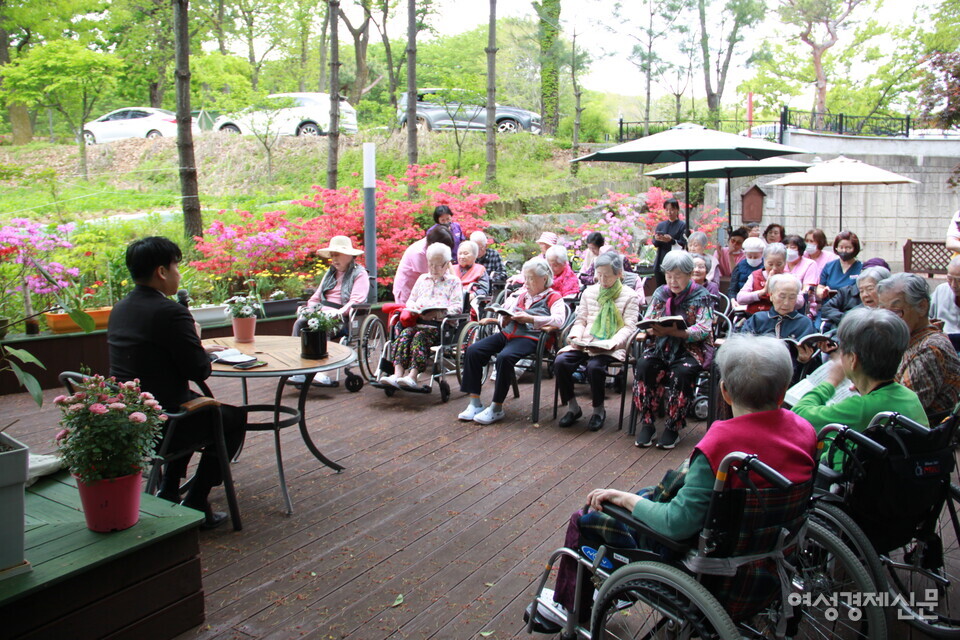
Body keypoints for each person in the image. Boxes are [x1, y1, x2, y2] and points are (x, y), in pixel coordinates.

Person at [528, 335, 816, 631]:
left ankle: (571, 605)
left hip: (710, 575)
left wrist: (625, 499)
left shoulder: (724, 447)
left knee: (588, 516)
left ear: (725, 392)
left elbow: (676, 524)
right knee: (647, 495)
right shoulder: (805, 431)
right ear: (783, 392)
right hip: (770, 564)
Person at [108, 237, 247, 529]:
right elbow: (199, 371)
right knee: (232, 419)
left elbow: (151, 352)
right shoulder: (171, 312)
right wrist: (195, 340)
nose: (178, 274)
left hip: (131, 417)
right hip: (166, 422)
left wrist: (192, 344)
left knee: (191, 404)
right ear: (161, 271)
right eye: (176, 267)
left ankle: (169, 489)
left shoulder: (120, 308)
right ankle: (197, 501)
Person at [791, 307, 929, 469]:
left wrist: (830, 382)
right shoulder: (909, 396)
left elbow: (799, 415)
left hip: (849, 485)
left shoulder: (861, 409)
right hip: (903, 479)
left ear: (853, 360)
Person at [458, 258, 567, 425]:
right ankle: (475, 403)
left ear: (544, 278)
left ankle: (496, 407)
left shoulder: (554, 297)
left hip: (531, 337)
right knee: (474, 350)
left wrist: (530, 318)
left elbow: (559, 321)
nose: (527, 282)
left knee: (504, 357)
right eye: (525, 277)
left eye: (531, 278)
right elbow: (504, 317)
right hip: (508, 334)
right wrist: (504, 319)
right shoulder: (521, 294)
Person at [634, 251, 714, 449]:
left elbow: (704, 328)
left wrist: (679, 332)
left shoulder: (701, 295)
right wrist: (654, 327)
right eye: (669, 275)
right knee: (644, 365)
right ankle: (647, 423)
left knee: (683, 371)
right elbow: (649, 316)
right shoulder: (661, 292)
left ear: (689, 274)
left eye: (678, 276)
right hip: (661, 345)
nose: (673, 281)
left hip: (689, 348)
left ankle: (673, 426)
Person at [555, 252, 641, 432]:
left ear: (619, 274)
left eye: (607, 275)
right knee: (561, 362)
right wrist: (575, 337)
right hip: (586, 341)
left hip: (611, 346)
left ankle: (598, 410)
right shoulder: (590, 292)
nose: (602, 279)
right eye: (599, 274)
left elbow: (629, 327)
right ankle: (572, 407)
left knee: (595, 367)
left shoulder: (630, 296)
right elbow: (581, 321)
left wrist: (613, 342)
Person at [381, 243, 463, 390]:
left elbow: (457, 308)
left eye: (438, 265)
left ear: (446, 264)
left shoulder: (454, 282)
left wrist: (437, 313)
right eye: (431, 264)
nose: (433, 269)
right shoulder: (422, 279)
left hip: (440, 326)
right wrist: (414, 308)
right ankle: (397, 374)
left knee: (420, 337)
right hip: (418, 321)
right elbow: (411, 300)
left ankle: (412, 376)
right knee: (405, 334)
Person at [290, 236, 370, 385]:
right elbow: (315, 298)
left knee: (322, 327)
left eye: (337, 254)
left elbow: (356, 301)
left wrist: (338, 313)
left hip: (343, 318)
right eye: (332, 255)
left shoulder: (360, 273)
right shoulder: (330, 273)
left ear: (349, 255)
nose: (333, 259)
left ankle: (322, 372)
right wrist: (308, 310)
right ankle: (298, 370)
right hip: (320, 314)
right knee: (300, 323)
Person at [877, 273, 960, 418]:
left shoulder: (930, 349)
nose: (886, 320)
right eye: (882, 311)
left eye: (895, 311)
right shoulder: (905, 338)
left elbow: (901, 410)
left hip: (914, 436)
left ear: (922, 306)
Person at [392, 226, 455, 305]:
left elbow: (447, 262)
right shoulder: (419, 253)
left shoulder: (436, 248)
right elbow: (431, 277)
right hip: (408, 288)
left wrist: (456, 282)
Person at [736, 243, 804, 315]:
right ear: (764, 262)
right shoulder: (755, 276)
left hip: (783, 318)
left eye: (779, 264)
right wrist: (762, 292)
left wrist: (783, 296)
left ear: (785, 262)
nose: (774, 268)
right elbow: (740, 298)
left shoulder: (791, 278)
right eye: (770, 264)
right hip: (756, 318)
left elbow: (800, 302)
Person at [820, 265, 890, 331]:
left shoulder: (895, 311)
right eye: (861, 291)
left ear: (885, 288)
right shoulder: (854, 315)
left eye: (870, 289)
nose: (865, 295)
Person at [652, 197, 687, 287]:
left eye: (672, 210)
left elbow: (683, 243)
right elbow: (655, 243)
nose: (669, 212)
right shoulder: (661, 225)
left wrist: (671, 241)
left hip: (675, 260)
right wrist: (657, 238)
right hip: (661, 259)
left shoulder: (682, 225)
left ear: (677, 210)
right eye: (667, 210)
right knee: (660, 287)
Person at [817, 231, 863, 298]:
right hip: (830, 305)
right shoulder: (829, 266)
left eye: (848, 248)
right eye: (841, 247)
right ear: (836, 248)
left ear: (855, 249)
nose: (844, 251)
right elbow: (820, 287)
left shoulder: (861, 268)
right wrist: (822, 292)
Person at [930, 255, 960, 334]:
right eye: (950, 279)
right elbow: (926, 316)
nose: (954, 285)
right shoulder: (941, 290)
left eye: (959, 281)